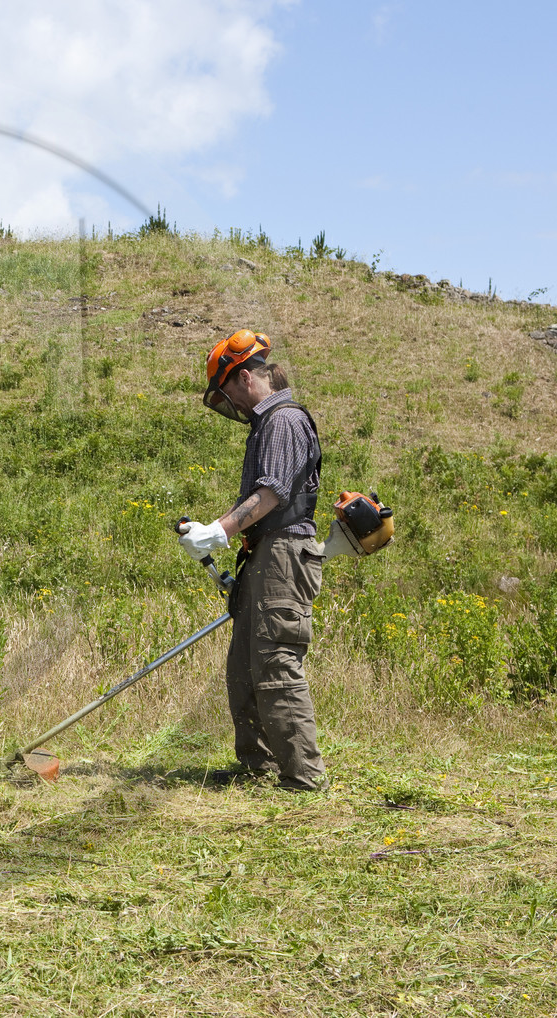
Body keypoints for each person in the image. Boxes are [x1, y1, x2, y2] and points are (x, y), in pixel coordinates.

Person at [178, 330, 326, 792]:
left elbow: (273, 492)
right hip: (264, 554)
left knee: (276, 662)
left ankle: (303, 777)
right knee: (245, 664)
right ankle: (257, 767)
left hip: (283, 554)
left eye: (228, 395)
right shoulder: (267, 424)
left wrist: (218, 531)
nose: (232, 406)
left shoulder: (282, 420)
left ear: (243, 378)